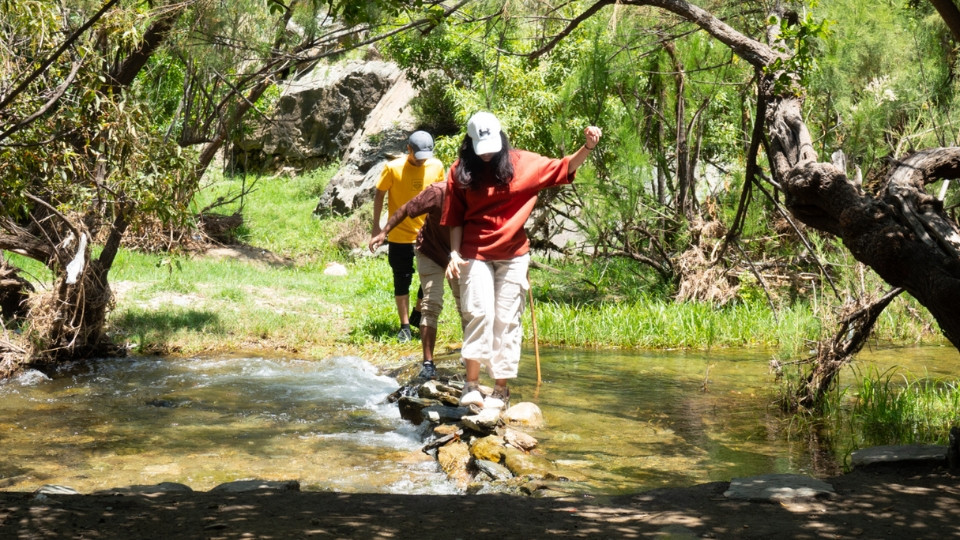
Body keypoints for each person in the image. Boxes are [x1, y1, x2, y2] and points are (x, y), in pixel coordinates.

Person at [442, 112, 602, 409]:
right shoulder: (460, 171)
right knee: (478, 312)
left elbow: (564, 167)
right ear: (470, 143)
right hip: (474, 253)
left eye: (491, 146)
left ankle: (500, 389)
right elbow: (454, 218)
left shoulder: (523, 164)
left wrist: (588, 147)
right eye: (481, 147)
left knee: (506, 319)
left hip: (513, 255)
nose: (487, 153)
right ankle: (472, 384)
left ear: (501, 139)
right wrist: (453, 252)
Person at [369, 181, 461, 379]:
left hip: (460, 254)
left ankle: (471, 356)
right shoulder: (437, 192)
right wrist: (383, 232)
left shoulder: (480, 193)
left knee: (467, 304)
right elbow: (405, 209)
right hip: (430, 250)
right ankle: (428, 363)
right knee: (431, 302)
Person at [371, 130, 445, 343]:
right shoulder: (393, 168)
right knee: (401, 279)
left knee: (430, 276)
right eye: (417, 156)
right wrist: (377, 226)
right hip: (399, 235)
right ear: (408, 150)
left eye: (425, 157)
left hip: (427, 234)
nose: (422, 162)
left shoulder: (436, 166)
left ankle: (418, 311)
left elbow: (440, 194)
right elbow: (379, 194)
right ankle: (404, 326)